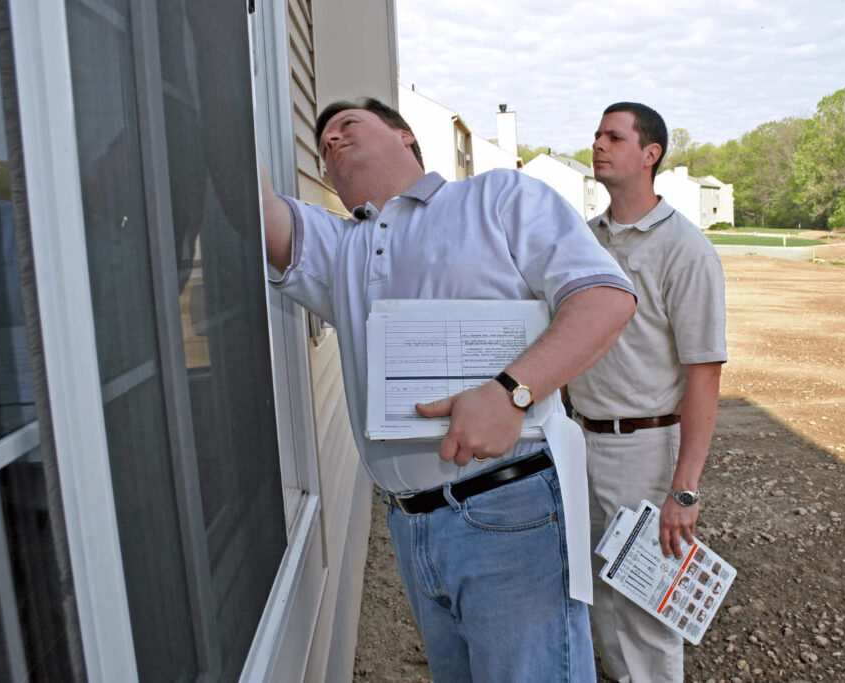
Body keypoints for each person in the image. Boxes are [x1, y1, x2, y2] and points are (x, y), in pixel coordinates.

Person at [260, 97, 637, 681]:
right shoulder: (342, 249)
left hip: (510, 510)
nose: (331, 141)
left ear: (405, 136)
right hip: (410, 525)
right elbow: (256, 208)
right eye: (322, 141)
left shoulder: (497, 198)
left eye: (347, 125)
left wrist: (510, 392)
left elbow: (604, 298)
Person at [567, 102, 727, 682]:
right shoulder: (584, 241)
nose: (598, 145)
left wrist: (684, 489)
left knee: (645, 606)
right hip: (580, 440)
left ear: (650, 154)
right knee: (597, 595)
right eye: (596, 135)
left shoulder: (685, 250)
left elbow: (704, 372)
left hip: (646, 449)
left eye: (614, 136)